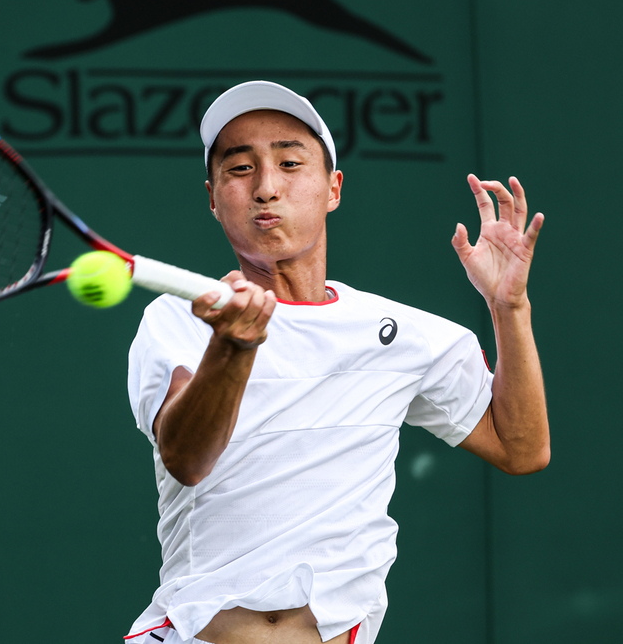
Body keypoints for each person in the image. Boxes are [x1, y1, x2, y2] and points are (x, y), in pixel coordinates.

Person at [125, 81, 548, 644]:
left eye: (290, 163)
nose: (266, 188)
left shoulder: (411, 337)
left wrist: (508, 307)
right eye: (239, 169)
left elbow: (521, 448)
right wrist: (233, 346)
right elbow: (186, 458)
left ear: (332, 189)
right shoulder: (180, 318)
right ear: (213, 196)